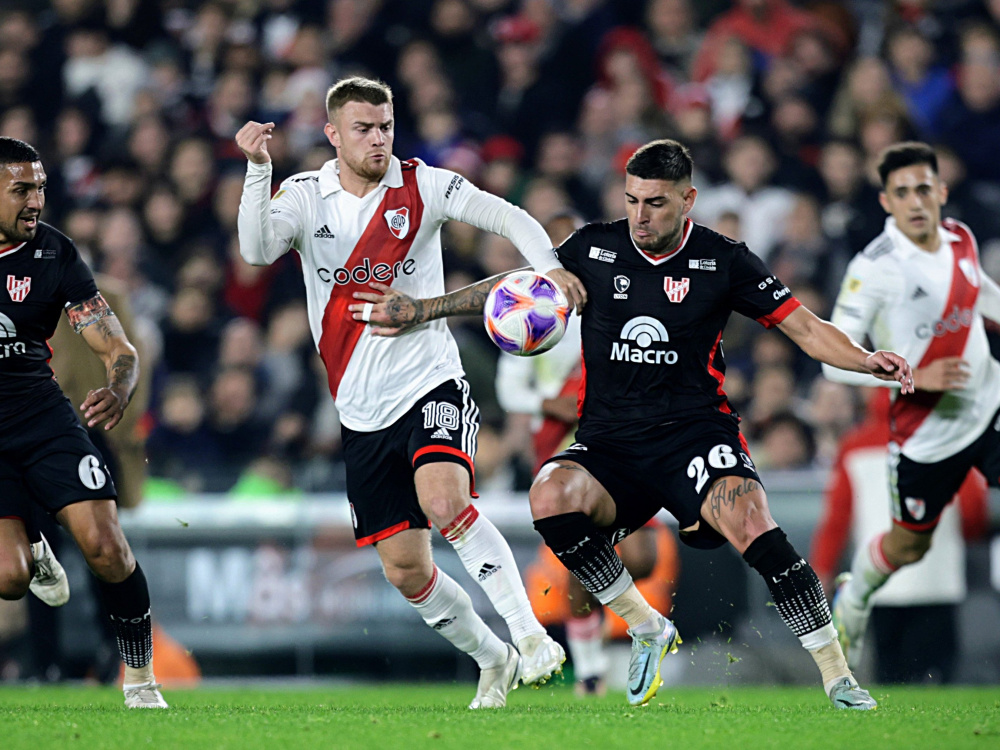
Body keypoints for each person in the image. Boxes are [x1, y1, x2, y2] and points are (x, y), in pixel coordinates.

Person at [351, 138, 915, 710]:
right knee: (549, 496)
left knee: (752, 521)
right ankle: (646, 625)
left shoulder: (725, 260)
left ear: (688, 199)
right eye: (632, 200)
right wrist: (424, 309)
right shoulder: (594, 247)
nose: (640, 216)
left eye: (657, 203)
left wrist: (868, 361)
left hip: (696, 434)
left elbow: (808, 329)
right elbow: (516, 289)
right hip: (611, 443)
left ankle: (838, 676)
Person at [235, 76, 586, 709]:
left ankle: (531, 636)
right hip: (359, 405)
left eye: (386, 126)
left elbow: (506, 215)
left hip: (431, 380)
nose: (379, 139)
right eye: (364, 129)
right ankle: (493, 657)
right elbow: (257, 250)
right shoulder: (306, 196)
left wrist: (551, 266)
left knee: (446, 499)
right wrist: (258, 170)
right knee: (406, 569)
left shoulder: (425, 185)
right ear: (333, 134)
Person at [820, 141, 1000, 671]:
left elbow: (981, 291)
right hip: (926, 434)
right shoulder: (873, 268)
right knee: (907, 548)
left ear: (941, 191)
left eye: (924, 188)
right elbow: (833, 360)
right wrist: (914, 377)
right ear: (886, 202)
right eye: (903, 192)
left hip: (988, 404)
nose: (916, 201)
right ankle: (855, 596)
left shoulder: (961, 237)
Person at [0, 137, 165, 708]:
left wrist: (119, 387)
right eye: (22, 189)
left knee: (105, 547)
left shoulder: (52, 253)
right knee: (10, 579)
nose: (36, 201)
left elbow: (118, 346)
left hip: (44, 419)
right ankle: (36, 545)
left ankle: (141, 679)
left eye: (41, 188)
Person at [810, 389, 988, 683]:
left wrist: (823, 569)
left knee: (891, 678)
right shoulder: (951, 442)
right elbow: (973, 515)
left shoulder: (854, 446)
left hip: (879, 581)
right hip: (937, 580)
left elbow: (836, 520)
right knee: (938, 680)